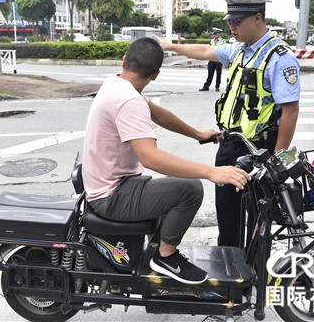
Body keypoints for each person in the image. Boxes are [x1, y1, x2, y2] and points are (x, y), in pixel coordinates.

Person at [82, 37, 250, 284]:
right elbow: (150, 157)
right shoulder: (129, 101)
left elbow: (158, 113)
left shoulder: (117, 84)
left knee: (174, 187)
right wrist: (211, 172)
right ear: (156, 75)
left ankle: (156, 248)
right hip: (112, 196)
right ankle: (165, 257)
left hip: (111, 183)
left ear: (125, 61)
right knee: (190, 189)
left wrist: (197, 134)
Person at [153, 0, 300, 248]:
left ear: (257, 18)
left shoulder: (279, 57)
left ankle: (253, 269)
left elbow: (291, 111)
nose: (231, 26)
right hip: (230, 143)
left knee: (257, 215)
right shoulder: (238, 49)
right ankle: (228, 262)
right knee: (227, 211)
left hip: (259, 150)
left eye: (236, 20)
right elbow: (206, 51)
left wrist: (277, 159)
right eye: (229, 20)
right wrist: (171, 46)